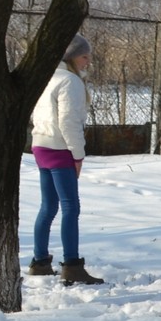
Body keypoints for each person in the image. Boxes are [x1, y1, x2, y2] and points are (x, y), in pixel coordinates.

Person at [29, 34, 103, 286]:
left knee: (48, 206)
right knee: (71, 206)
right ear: (71, 57)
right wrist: (78, 155)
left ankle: (40, 261)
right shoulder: (69, 81)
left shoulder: (47, 78)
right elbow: (69, 122)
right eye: (84, 55)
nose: (88, 60)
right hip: (60, 148)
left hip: (41, 144)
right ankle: (72, 265)